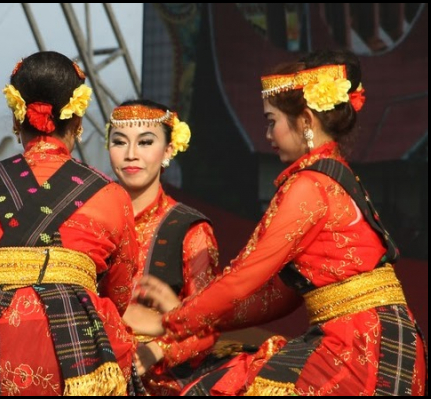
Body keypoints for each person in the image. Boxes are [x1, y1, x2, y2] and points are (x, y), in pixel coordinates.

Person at [133, 49, 427, 395]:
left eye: (272, 121)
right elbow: (280, 295)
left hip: (359, 348)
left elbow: (244, 277)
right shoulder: (333, 176)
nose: (267, 134)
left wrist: (169, 323)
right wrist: (192, 316)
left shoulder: (309, 186)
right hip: (386, 344)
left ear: (304, 121)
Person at [0, 51, 139, 396]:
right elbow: (119, 293)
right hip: (78, 358)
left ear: (17, 120)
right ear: (78, 122)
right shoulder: (111, 195)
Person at [106, 100, 223, 395]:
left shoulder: (190, 230)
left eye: (146, 142)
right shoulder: (88, 221)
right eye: (119, 142)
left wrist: (157, 349)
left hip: (157, 381)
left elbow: (207, 332)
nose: (131, 154)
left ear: (169, 150)